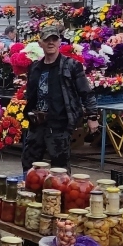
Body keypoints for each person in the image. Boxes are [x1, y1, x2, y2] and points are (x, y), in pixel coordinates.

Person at [22, 21, 99, 171]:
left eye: (54, 39)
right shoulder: (34, 68)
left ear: (59, 42)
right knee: (29, 164)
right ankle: (30, 193)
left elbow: (86, 92)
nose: (50, 42)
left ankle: (60, 195)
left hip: (60, 124)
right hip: (37, 124)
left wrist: (92, 117)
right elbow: (31, 94)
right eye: (46, 39)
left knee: (60, 168)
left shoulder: (71, 65)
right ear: (40, 43)